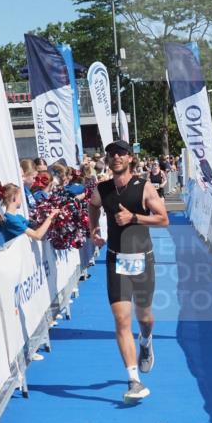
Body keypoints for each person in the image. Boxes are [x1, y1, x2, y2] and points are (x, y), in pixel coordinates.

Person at [88, 139, 169, 403]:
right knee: (122, 320)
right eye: (112, 154)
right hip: (115, 260)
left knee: (144, 316)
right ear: (108, 160)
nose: (116, 158)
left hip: (142, 260)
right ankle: (134, 380)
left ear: (130, 159)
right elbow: (93, 204)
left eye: (121, 154)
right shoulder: (102, 189)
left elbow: (163, 219)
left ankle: (146, 341)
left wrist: (134, 218)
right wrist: (94, 229)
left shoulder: (144, 187)